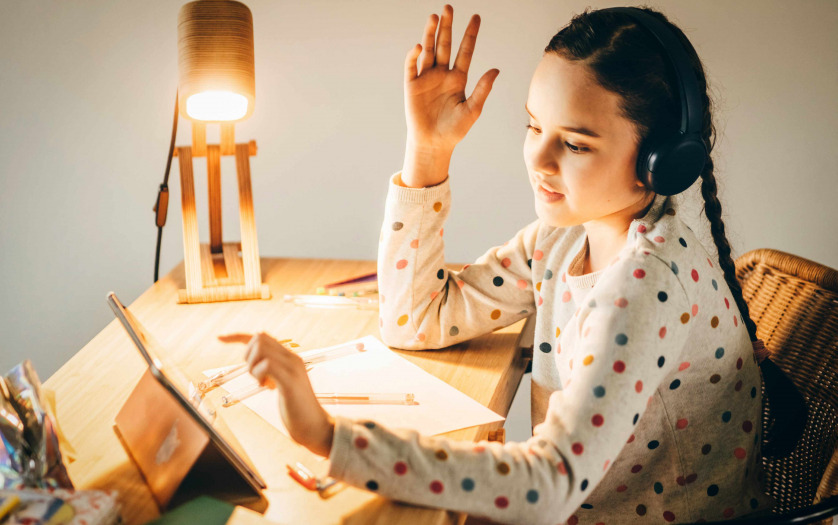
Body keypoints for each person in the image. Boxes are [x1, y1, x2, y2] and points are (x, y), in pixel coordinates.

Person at [220, 5, 806, 524]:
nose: (539, 158)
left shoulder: (646, 286)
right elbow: (415, 319)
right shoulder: (560, 243)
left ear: (661, 163)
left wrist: (329, 437)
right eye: (532, 126)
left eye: (574, 144)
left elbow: (546, 488)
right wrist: (428, 151)